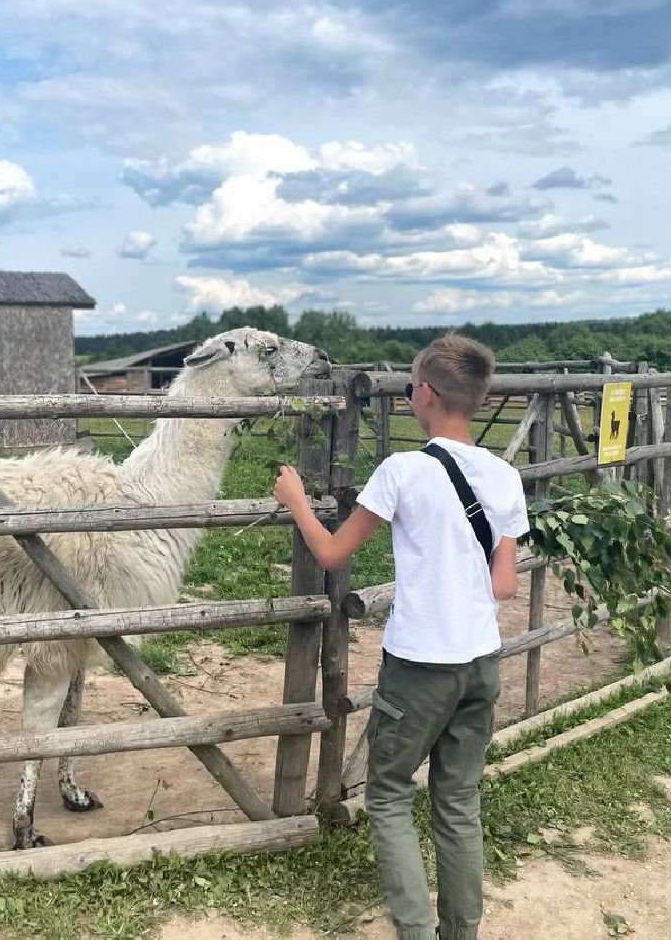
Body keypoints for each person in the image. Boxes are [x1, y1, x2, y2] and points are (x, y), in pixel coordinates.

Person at [273, 334, 528, 940]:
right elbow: (505, 584)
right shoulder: (503, 476)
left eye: (414, 387)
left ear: (427, 395)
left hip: (419, 665)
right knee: (458, 800)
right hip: (480, 661)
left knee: (388, 794)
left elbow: (334, 554)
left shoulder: (404, 471)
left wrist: (296, 503)